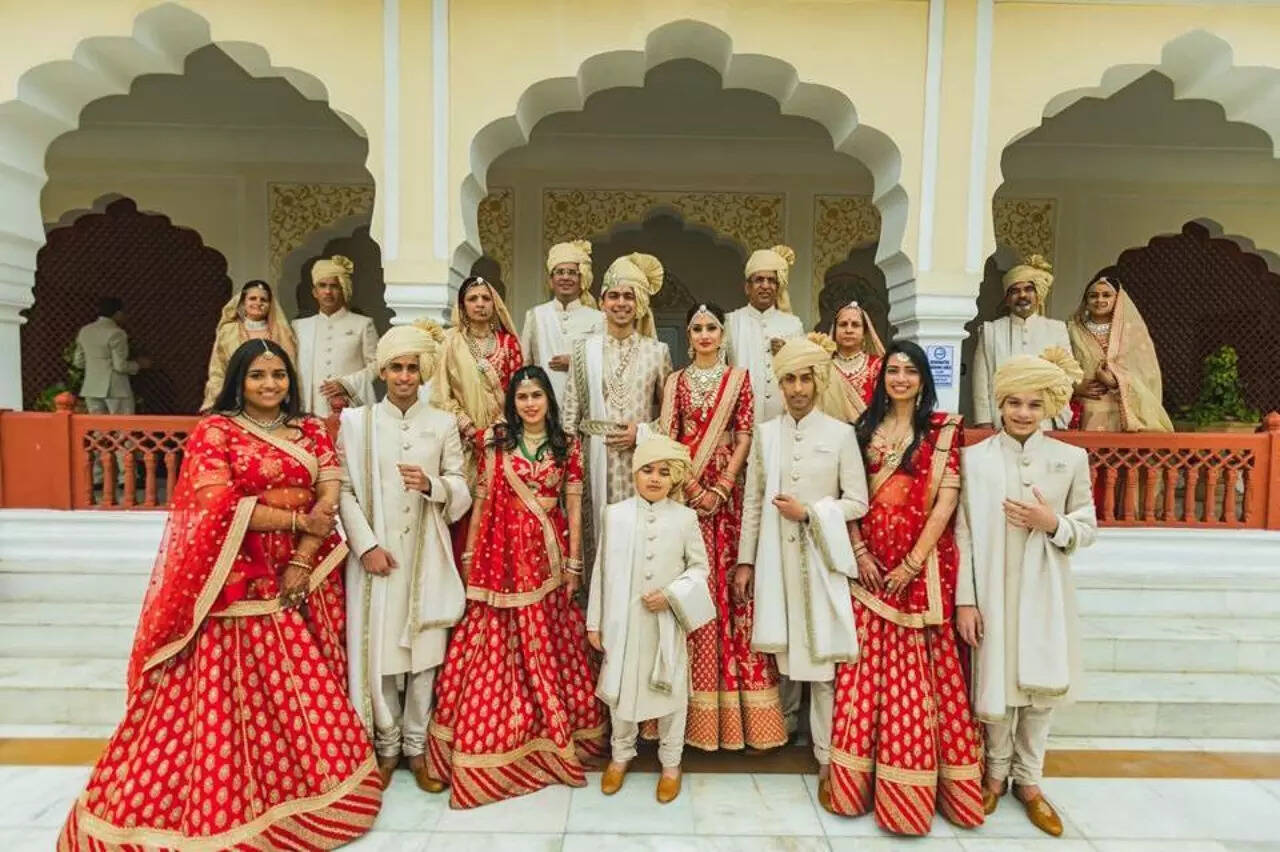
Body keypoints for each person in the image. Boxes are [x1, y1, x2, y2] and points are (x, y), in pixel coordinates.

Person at [59, 339, 381, 850]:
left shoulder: (311, 428)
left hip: (308, 572)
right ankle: (231, 792)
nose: (270, 384)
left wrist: (302, 556)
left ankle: (307, 790)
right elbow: (218, 503)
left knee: (304, 683)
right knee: (237, 685)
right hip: (238, 575)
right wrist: (297, 521)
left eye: (278, 375)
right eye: (258, 376)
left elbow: (329, 489)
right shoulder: (217, 431)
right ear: (239, 381)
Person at [426, 366, 607, 808]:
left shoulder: (567, 444)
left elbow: (574, 505)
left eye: (536, 395)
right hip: (501, 559)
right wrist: (470, 556)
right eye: (522, 397)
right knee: (492, 642)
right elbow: (483, 500)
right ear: (513, 402)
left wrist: (575, 563)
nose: (529, 404)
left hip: (548, 557)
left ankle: (555, 733)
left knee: (553, 641)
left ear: (549, 400)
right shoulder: (497, 443)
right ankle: (498, 737)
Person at [825, 341, 985, 833]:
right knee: (863, 677)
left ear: (922, 380)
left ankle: (912, 796)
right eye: (892, 370)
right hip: (871, 569)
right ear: (882, 379)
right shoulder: (862, 430)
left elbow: (946, 504)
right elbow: (846, 496)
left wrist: (912, 564)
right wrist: (859, 553)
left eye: (910, 371)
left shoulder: (941, 430)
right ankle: (854, 787)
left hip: (920, 571)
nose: (900, 379)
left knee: (917, 682)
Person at [955, 347, 1098, 837]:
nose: (1023, 413)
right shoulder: (973, 460)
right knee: (996, 680)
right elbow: (962, 533)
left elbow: (1087, 527)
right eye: (1014, 403)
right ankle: (995, 775)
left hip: (1045, 590)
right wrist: (966, 600)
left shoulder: (1069, 459)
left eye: (1034, 405)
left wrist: (1052, 522)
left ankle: (1030, 781)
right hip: (991, 587)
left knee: (1040, 687)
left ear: (1049, 407)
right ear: (999, 404)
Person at [338, 321, 470, 793]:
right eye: (396, 367)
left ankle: (416, 748)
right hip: (377, 557)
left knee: (424, 653)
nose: (404, 376)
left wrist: (433, 485)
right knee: (380, 655)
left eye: (412, 368)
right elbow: (343, 491)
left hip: (426, 554)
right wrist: (366, 546)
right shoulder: (357, 423)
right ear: (382, 371)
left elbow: (461, 486)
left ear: (422, 372)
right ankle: (386, 745)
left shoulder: (442, 423)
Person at [735, 336, 868, 805]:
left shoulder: (841, 434)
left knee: (821, 659)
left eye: (804, 379)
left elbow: (858, 501)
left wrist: (811, 512)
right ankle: (782, 730)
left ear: (818, 381)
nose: (796, 388)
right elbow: (753, 501)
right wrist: (746, 560)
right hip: (775, 556)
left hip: (821, 558)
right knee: (784, 647)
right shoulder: (766, 434)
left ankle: (827, 758)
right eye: (788, 379)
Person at [657, 302, 787, 753]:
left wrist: (724, 484)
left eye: (711, 327)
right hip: (686, 494)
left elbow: (746, 433)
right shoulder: (675, 381)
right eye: (697, 328)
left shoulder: (739, 379)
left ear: (722, 334)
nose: (705, 335)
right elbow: (668, 437)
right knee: (690, 589)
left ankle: (738, 721)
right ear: (688, 335)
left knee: (729, 593)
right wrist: (693, 487)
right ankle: (681, 719)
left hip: (729, 498)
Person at [587, 435, 716, 803]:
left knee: (671, 692)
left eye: (663, 472)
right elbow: (601, 570)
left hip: (666, 624)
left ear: (673, 478)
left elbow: (700, 569)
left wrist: (672, 596)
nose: (655, 478)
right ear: (634, 473)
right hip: (623, 622)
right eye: (647, 470)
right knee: (622, 690)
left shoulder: (685, 518)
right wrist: (595, 621)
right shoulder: (615, 514)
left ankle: (671, 764)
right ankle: (620, 755)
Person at [561, 253, 672, 566]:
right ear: (602, 302)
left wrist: (642, 432)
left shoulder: (657, 351)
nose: (621, 303)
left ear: (640, 304)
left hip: (640, 461)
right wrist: (572, 466)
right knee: (596, 539)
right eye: (614, 296)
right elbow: (569, 416)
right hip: (592, 459)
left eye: (629, 296)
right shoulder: (583, 350)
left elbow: (671, 415)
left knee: (637, 543)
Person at [972, 255, 1072, 430]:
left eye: (1028, 289)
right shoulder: (990, 331)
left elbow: (1067, 375)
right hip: (1002, 419)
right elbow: (981, 381)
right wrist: (983, 421)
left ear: (1038, 295)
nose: (1022, 295)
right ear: (1007, 299)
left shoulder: (1056, 329)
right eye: (1015, 291)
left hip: (1045, 419)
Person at [1067, 275, 1173, 432]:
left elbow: (1146, 374)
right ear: (1086, 301)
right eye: (1093, 295)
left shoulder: (1132, 333)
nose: (1099, 300)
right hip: (1085, 408)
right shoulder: (1071, 330)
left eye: (1106, 295)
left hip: (1124, 411)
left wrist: (1115, 382)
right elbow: (1058, 366)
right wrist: (1075, 387)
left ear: (1117, 300)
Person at [726, 245, 805, 424]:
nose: (765, 286)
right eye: (759, 280)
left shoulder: (793, 324)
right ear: (747, 287)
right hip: (740, 421)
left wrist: (788, 354)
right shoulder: (731, 322)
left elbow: (805, 372)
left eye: (771, 280)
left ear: (778, 287)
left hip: (783, 419)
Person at [292, 254, 377, 417]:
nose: (328, 291)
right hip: (311, 410)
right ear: (315, 292)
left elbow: (377, 365)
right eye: (322, 286)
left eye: (334, 286)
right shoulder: (300, 327)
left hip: (352, 407)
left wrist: (347, 384)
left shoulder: (363, 324)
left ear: (343, 289)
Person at [521, 239, 605, 401]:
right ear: (551, 280)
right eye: (559, 272)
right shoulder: (535, 315)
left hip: (584, 404)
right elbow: (525, 365)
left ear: (581, 279)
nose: (565, 277)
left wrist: (575, 363)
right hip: (543, 404)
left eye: (572, 272)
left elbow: (605, 365)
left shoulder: (598, 318)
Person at [202, 280, 297, 411]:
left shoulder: (281, 333)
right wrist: (216, 400)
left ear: (270, 305)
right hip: (234, 401)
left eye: (263, 300)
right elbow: (217, 369)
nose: (258, 303)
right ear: (242, 303)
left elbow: (290, 369)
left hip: (272, 398)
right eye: (252, 298)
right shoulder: (228, 331)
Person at [73, 296, 151, 414]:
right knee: (122, 424)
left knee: (98, 425)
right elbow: (120, 366)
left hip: (91, 387)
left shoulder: (85, 331)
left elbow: (79, 362)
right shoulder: (117, 333)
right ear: (118, 313)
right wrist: (139, 365)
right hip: (116, 388)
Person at [819, 300, 885, 423]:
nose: (849, 330)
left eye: (855, 325)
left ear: (864, 332)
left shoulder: (877, 366)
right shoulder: (823, 366)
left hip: (868, 432)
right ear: (834, 330)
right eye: (843, 324)